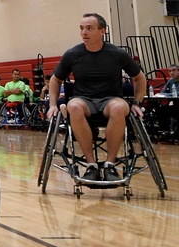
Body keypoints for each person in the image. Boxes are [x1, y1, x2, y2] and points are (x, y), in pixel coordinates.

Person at [47, 12, 146, 184]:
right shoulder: (72, 54)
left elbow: (139, 78)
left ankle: (110, 164)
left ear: (102, 31)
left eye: (89, 28)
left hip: (111, 99)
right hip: (84, 100)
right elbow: (55, 79)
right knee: (74, 106)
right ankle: (91, 165)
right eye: (82, 28)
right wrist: (53, 105)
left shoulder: (117, 53)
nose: (84, 32)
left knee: (119, 108)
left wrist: (137, 102)